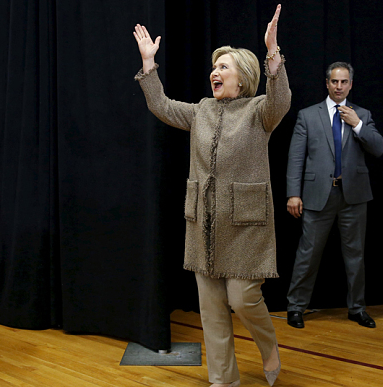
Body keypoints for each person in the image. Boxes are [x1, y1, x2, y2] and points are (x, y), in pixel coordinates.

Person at [133, 5, 290, 387]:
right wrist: (149, 66)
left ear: (244, 78)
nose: (214, 73)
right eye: (214, 67)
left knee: (243, 298)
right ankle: (223, 380)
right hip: (202, 222)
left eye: (224, 67)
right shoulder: (202, 110)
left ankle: (268, 346)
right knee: (212, 310)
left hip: (245, 225)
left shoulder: (259, 111)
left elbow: (280, 101)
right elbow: (162, 106)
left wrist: (273, 54)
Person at [285, 62, 383, 329]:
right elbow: (296, 157)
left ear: (351, 84)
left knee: (355, 255)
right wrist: (293, 193)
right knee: (308, 253)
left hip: (353, 197)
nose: (339, 86)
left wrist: (358, 124)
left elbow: (378, 148)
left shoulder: (362, 113)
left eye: (344, 82)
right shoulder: (308, 115)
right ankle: (295, 307)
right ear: (327, 83)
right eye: (334, 81)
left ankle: (357, 308)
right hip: (318, 195)